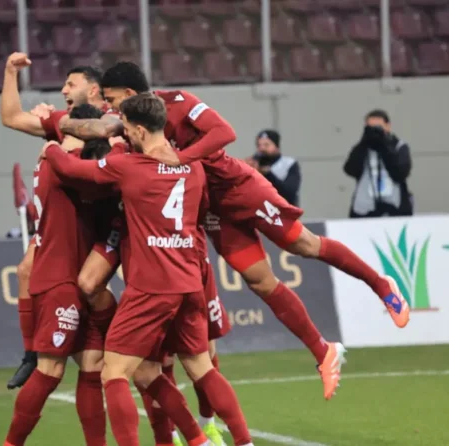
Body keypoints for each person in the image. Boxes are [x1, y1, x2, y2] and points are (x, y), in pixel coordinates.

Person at [58, 61, 410, 400]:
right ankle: (323, 351)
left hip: (239, 188)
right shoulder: (129, 122)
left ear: (129, 93)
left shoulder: (178, 102)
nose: (109, 107)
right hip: (213, 207)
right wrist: (61, 124)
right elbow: (99, 128)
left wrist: (183, 157)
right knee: (260, 281)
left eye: (112, 99)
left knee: (303, 244)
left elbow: (225, 132)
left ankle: (382, 286)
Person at [45, 93, 254, 446]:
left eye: (126, 128)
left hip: (152, 287)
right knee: (200, 367)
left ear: (140, 130)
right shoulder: (193, 167)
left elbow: (71, 170)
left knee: (114, 373)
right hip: (189, 282)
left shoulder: (130, 167)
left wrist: (52, 147)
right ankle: (243, 442)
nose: (124, 134)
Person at [0, 53, 112, 390]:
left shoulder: (116, 121)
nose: (63, 90)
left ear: (93, 90)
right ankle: (30, 354)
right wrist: (10, 73)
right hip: (69, 221)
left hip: (113, 222)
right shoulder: (66, 121)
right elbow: (11, 117)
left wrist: (55, 147)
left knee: (90, 286)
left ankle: (119, 333)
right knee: (26, 270)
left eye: (70, 84)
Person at [4, 132, 119, 446]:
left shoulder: (70, 170)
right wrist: (56, 143)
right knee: (51, 370)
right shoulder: (62, 169)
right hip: (61, 283)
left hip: (86, 282)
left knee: (93, 366)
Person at [344, 109, 413, 218]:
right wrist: (364, 143)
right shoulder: (362, 148)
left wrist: (384, 147)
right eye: (370, 128)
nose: (374, 131)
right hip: (364, 208)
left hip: (395, 207)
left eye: (378, 127)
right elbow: (350, 169)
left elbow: (401, 173)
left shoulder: (399, 146)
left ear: (388, 126)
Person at [245, 129, 301, 206]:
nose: (262, 149)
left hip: (284, 211)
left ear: (277, 146)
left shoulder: (289, 164)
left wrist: (267, 174)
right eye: (259, 145)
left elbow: (289, 193)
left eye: (266, 145)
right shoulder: (252, 164)